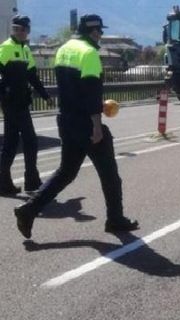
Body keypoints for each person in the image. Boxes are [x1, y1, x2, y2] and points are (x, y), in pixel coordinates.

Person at [14, 14, 138, 239]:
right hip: (86, 123)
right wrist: (97, 126)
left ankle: (28, 210)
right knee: (110, 175)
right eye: (99, 32)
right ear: (93, 31)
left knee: (66, 172)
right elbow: (91, 92)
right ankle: (115, 219)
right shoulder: (89, 53)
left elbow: (70, 87)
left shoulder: (64, 49)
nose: (100, 36)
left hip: (66, 120)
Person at [0, 15, 52, 195]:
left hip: (21, 102)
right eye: (18, 29)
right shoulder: (5, 48)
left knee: (11, 143)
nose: (21, 32)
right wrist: (4, 93)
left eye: (23, 29)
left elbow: (32, 76)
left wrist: (45, 95)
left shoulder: (25, 50)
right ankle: (32, 181)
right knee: (30, 140)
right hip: (12, 103)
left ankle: (3, 183)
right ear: (16, 30)